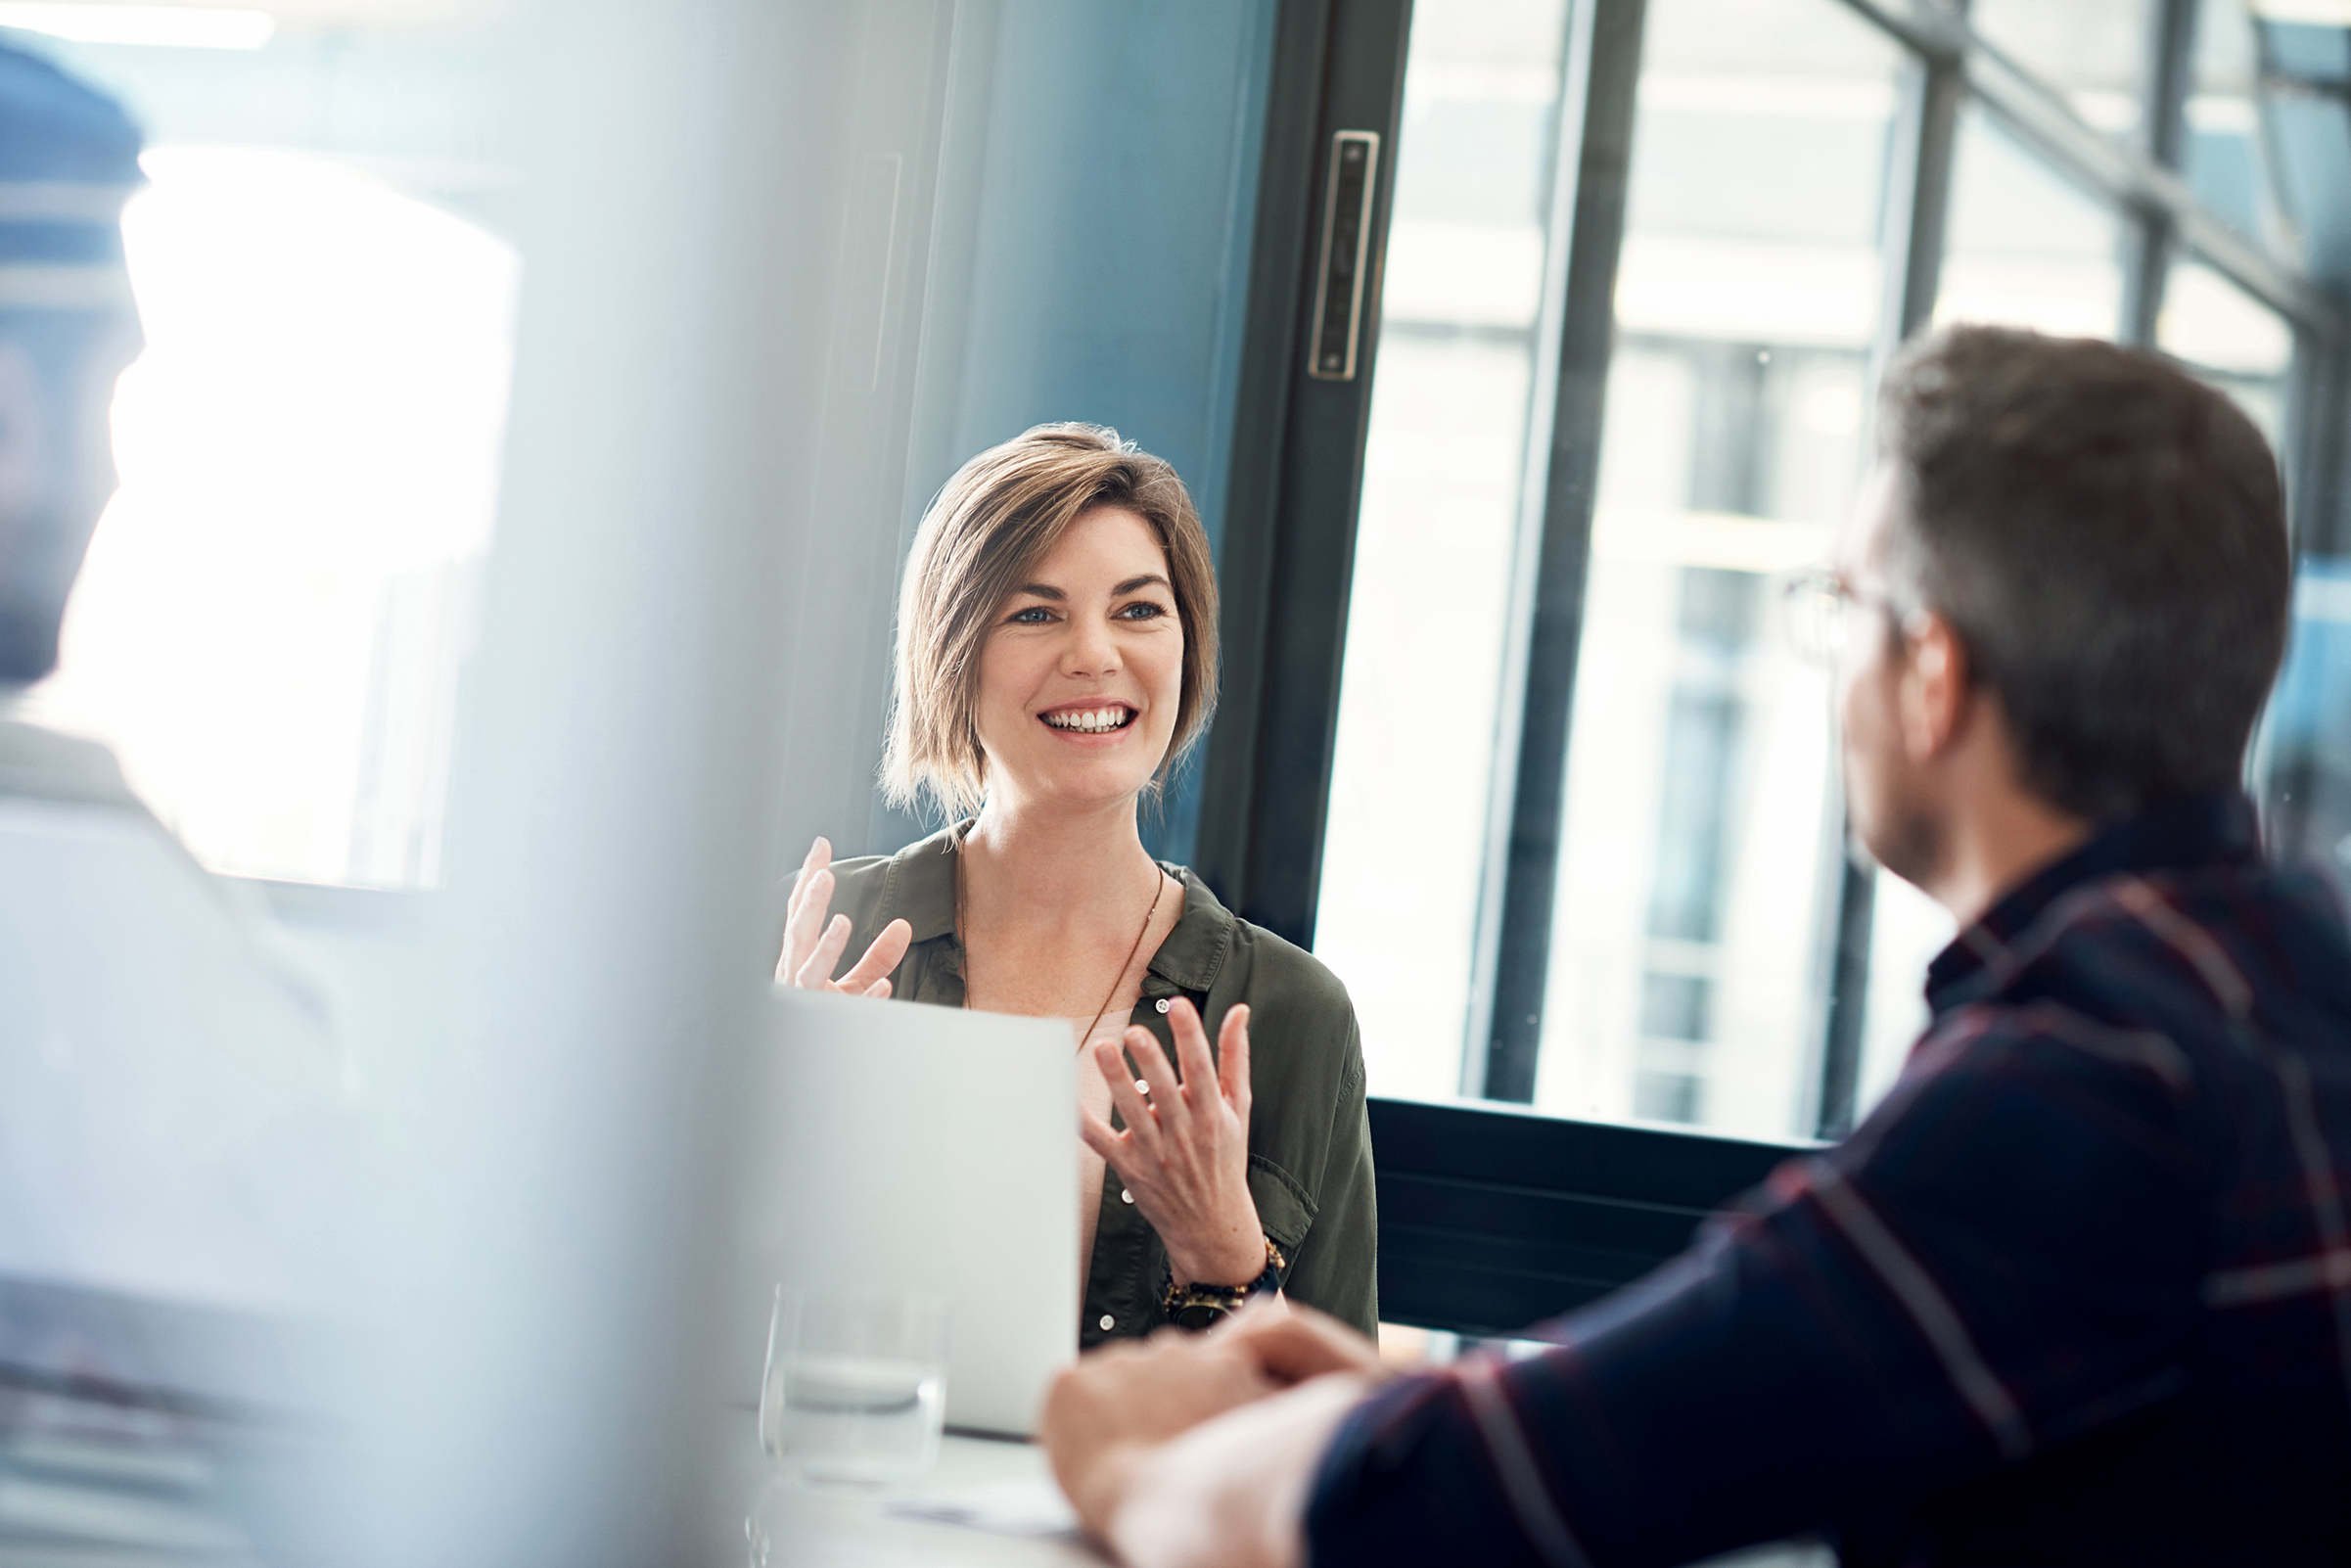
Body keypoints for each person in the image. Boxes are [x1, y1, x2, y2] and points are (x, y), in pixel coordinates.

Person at [1039, 326, 2351, 1566]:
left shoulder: (2086, 1077)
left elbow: (1453, 1514)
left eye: (1846, 608)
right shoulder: (2283, 975)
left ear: (1933, 674)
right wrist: (1429, 1398)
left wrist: (1137, 1466)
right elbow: (1742, 1400)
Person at [776, 424, 1376, 1346]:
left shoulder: (1295, 1015)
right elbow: (636, 1345)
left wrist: (1228, 1263)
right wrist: (770, 1125)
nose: (1095, 655)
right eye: (1035, 612)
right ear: (954, 654)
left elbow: (1340, 1452)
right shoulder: (817, 942)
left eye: (1138, 610)